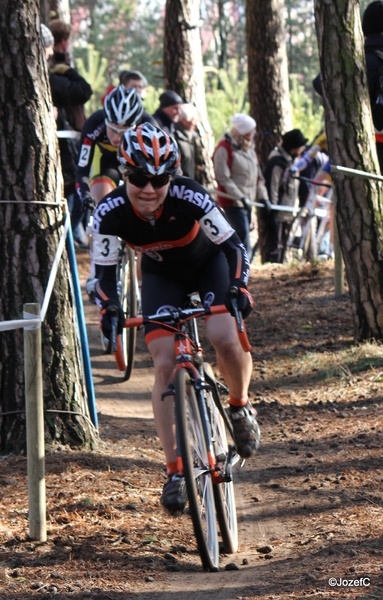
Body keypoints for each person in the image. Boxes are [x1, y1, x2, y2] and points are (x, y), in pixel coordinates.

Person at [92, 123, 260, 513]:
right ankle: (175, 470)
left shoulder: (189, 195)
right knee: (165, 363)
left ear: (173, 176)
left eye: (160, 179)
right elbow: (101, 275)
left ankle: (239, 405)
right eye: (138, 178)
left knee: (223, 335)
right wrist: (110, 308)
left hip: (209, 265)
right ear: (122, 173)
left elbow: (233, 245)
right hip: (160, 277)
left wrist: (239, 286)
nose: (149, 189)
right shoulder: (109, 212)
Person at [75, 85, 144, 298]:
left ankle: (144, 283)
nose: (117, 137)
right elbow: (82, 171)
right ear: (105, 121)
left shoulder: (148, 125)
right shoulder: (94, 123)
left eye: (124, 132)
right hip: (107, 163)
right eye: (112, 129)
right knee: (102, 200)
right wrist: (85, 195)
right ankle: (98, 269)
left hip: (137, 163)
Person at [44, 21, 93, 239]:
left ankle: (73, 232)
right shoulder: (54, 74)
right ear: (62, 42)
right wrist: (69, 71)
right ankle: (69, 234)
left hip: (69, 136)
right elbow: (84, 91)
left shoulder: (56, 69)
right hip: (63, 143)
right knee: (72, 185)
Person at [213, 114, 269, 256]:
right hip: (232, 202)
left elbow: (258, 177)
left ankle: (244, 267)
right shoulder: (224, 148)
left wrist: (263, 197)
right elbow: (223, 178)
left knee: (245, 235)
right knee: (241, 236)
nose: (254, 134)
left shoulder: (250, 149)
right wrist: (239, 196)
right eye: (251, 131)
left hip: (247, 202)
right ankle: (241, 269)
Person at [262, 129, 308, 263]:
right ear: (293, 147)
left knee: (283, 245)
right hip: (277, 213)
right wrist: (273, 212)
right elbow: (273, 188)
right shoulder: (277, 163)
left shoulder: (291, 162)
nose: (303, 148)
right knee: (275, 246)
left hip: (287, 212)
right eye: (300, 145)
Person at [174, 104, 198, 179]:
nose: (195, 123)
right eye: (192, 119)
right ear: (184, 120)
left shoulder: (190, 138)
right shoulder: (175, 139)